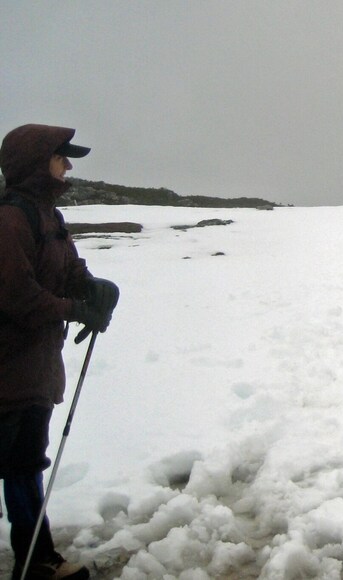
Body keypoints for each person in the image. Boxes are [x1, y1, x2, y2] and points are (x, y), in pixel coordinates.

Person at [0, 124, 120, 580]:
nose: (68, 166)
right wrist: (74, 309)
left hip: (33, 365)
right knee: (21, 466)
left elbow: (69, 270)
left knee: (24, 460)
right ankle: (37, 564)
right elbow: (16, 295)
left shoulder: (48, 216)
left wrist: (94, 288)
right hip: (9, 367)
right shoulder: (12, 219)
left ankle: (39, 558)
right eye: (60, 157)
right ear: (36, 164)